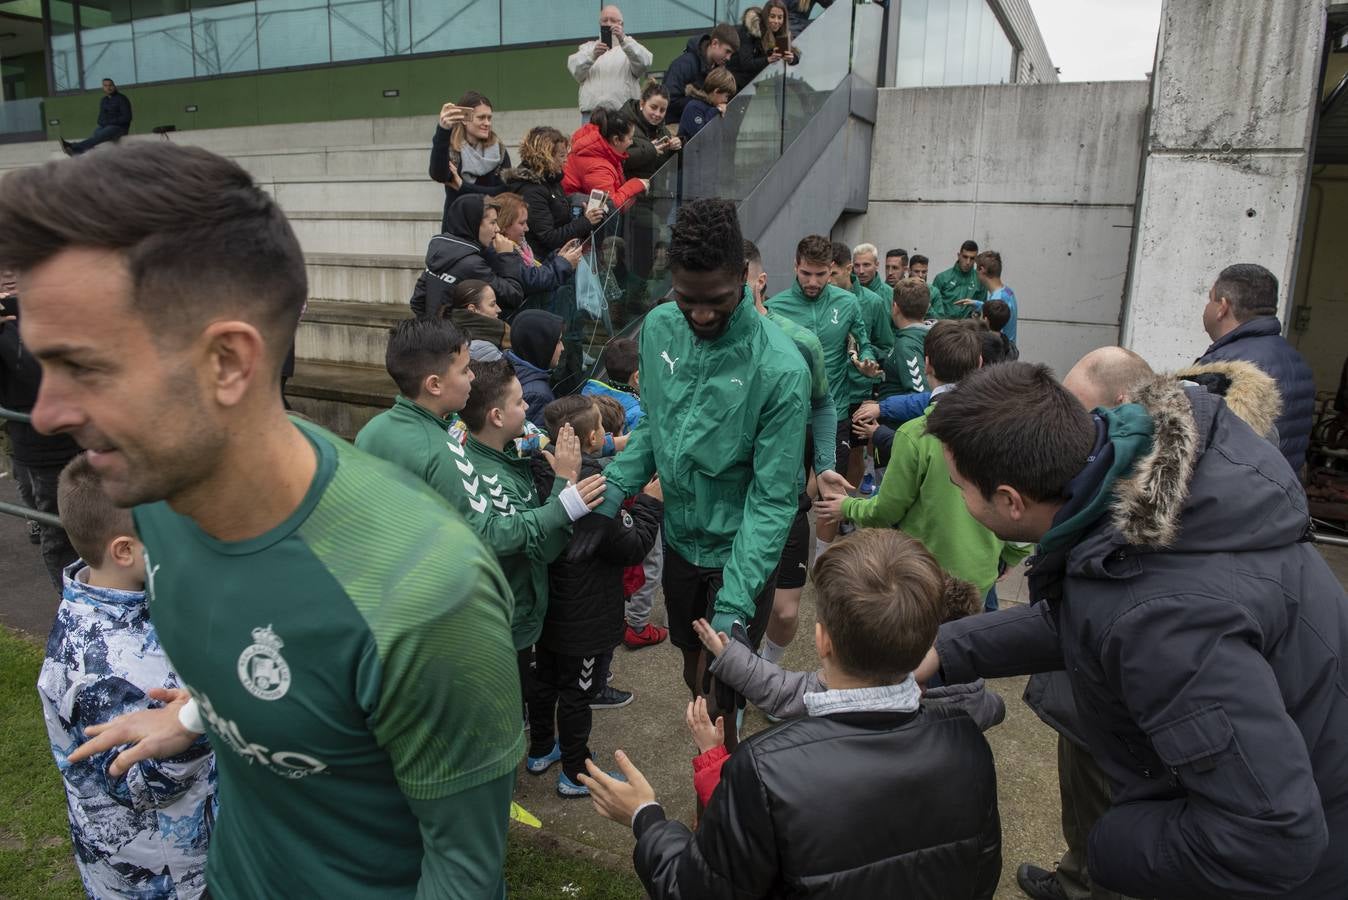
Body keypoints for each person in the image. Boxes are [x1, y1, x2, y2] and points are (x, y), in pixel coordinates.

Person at [7, 142, 523, 896]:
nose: (45, 413)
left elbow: (465, 870)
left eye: (83, 367)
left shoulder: (427, 597)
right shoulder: (156, 489)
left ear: (226, 364)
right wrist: (194, 718)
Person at [920, 361, 1348, 900]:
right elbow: (1092, 617)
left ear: (1010, 500)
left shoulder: (1168, 623)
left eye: (961, 488)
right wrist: (945, 648)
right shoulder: (1144, 488)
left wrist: (1111, 843)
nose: (960, 498)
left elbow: (1270, 836)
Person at [577, 529, 1002, 899]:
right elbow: (980, 875)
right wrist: (732, 657)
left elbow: (696, 888)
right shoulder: (968, 745)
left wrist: (645, 817)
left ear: (822, 640)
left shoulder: (763, 772)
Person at [571, 199, 809, 735]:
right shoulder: (659, 327)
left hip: (741, 548)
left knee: (724, 686)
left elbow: (773, 500)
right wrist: (609, 491)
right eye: (687, 300)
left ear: (745, 280)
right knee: (691, 669)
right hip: (680, 539)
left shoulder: (780, 368)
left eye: (717, 300)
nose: (700, 314)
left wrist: (736, 598)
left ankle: (719, 798)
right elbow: (657, 427)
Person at [356, 321, 603, 670]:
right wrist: (564, 504)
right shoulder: (443, 451)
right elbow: (487, 534)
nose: (472, 378)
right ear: (435, 384)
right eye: (464, 370)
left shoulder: (373, 431)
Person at [38, 453, 215, 899]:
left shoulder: (141, 595)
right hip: (165, 877)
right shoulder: (98, 668)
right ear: (124, 550)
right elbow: (143, 779)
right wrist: (209, 716)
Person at [818, 320, 1027, 602]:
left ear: (927, 364)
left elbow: (886, 511)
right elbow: (1024, 499)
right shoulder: (1007, 429)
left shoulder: (915, 434)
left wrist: (848, 506)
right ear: (979, 363)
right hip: (982, 576)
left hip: (923, 580)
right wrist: (1014, 553)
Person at [525, 395, 662, 796]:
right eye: (603, 430)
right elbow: (630, 547)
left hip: (549, 611)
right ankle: (574, 770)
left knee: (545, 680)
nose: (607, 436)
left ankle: (540, 749)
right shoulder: (597, 489)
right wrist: (651, 506)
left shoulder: (538, 472)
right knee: (578, 695)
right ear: (589, 438)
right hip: (585, 621)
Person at [745, 239, 848, 668]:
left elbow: (822, 402)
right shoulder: (695, 340)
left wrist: (823, 464)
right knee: (733, 606)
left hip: (784, 491)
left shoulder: (799, 341)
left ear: (758, 283)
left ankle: (767, 667)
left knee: (785, 612)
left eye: (737, 285)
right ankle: (734, 689)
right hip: (727, 497)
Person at [766, 235, 878, 558]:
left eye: (821, 274)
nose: (813, 282)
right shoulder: (775, 308)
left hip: (835, 413)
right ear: (794, 268)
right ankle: (785, 552)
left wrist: (867, 362)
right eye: (805, 274)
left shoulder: (848, 304)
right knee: (790, 492)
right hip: (789, 418)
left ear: (832, 270)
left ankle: (822, 558)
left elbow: (864, 342)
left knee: (831, 493)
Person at [0, 272, 80, 590]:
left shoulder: (56, 312)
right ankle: (71, 604)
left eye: (17, 277)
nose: (12, 287)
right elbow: (33, 377)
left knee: (104, 522)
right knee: (59, 531)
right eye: (4, 283)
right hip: (42, 449)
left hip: (92, 437)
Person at [1196, 262, 1315, 473]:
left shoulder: (1223, 368)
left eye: (1210, 299)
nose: (1207, 307)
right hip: (1280, 496)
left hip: (1237, 500)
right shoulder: (1296, 360)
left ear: (1222, 307)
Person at [834, 240, 892, 490]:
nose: (861, 269)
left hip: (858, 390)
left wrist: (866, 359)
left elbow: (886, 344)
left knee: (856, 453)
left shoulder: (874, 302)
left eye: (832, 273)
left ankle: (847, 506)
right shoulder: (823, 301)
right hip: (828, 390)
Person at [409, 194, 524, 320]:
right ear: (473, 224)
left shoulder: (440, 250)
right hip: (459, 337)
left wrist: (433, 329)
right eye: (493, 222)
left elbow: (417, 302)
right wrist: (507, 256)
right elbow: (513, 296)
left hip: (436, 333)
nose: (498, 229)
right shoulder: (471, 264)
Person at [503, 127, 605, 261]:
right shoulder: (531, 190)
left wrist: (584, 217)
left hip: (558, 258)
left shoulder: (550, 180)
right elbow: (549, 237)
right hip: (543, 263)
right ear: (546, 157)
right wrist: (585, 222)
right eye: (562, 156)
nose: (566, 161)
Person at [428, 91, 511, 233]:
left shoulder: (499, 151)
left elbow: (503, 193)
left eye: (489, 118)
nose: (487, 123)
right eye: (481, 118)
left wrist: (462, 186)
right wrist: (443, 130)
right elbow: (439, 175)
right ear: (465, 120)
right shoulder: (453, 151)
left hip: (491, 229)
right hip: (458, 228)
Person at [567, 6, 655, 125]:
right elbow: (574, 68)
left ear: (621, 24)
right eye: (605, 20)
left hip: (623, 115)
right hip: (591, 116)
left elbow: (645, 61)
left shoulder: (629, 47)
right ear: (599, 23)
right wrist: (592, 56)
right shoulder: (588, 48)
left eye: (613, 20)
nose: (608, 24)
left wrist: (623, 40)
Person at [487, 192, 583, 299]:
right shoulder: (499, 250)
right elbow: (531, 281)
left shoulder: (520, 246)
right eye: (522, 223)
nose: (527, 228)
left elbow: (534, 271)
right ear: (504, 224)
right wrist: (564, 263)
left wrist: (558, 257)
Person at [562, 106, 650, 212]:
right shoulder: (597, 168)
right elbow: (611, 206)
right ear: (616, 140)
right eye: (630, 138)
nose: (631, 143)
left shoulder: (599, 144)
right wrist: (637, 184)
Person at [662, 23, 740, 120]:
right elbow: (669, 100)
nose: (729, 58)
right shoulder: (684, 64)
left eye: (731, 54)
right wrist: (707, 102)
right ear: (715, 43)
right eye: (727, 51)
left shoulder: (718, 70)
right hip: (676, 125)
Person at [506, 309, 565, 428]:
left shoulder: (506, 364)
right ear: (541, 345)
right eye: (558, 342)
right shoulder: (537, 395)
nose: (562, 348)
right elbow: (533, 442)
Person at [727, 1, 801, 91]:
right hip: (732, 80)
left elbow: (795, 52)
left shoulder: (779, 33)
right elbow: (746, 63)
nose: (776, 21)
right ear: (766, 16)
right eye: (772, 16)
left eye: (780, 17)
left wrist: (792, 58)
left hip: (750, 84)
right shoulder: (750, 30)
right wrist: (768, 60)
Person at [622, 82, 683, 181]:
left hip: (656, 191)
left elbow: (672, 168)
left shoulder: (663, 131)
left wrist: (676, 150)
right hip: (628, 191)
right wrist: (650, 150)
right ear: (642, 103)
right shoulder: (622, 124)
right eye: (653, 107)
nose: (657, 114)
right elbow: (621, 159)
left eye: (662, 110)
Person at [954, 249, 1018, 342]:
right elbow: (996, 311)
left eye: (976, 268)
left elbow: (992, 334)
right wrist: (976, 304)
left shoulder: (997, 299)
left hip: (998, 352)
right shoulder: (1008, 292)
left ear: (982, 270)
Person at [61, 79, 131, 156]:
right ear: (103, 88)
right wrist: (104, 123)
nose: (108, 87)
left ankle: (72, 146)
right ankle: (78, 152)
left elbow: (127, 117)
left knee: (101, 135)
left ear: (114, 86)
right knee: (96, 133)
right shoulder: (103, 100)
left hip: (120, 128)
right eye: (105, 85)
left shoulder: (122, 99)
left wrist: (110, 122)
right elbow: (100, 119)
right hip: (106, 127)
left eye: (110, 85)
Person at [440, 279, 509, 350]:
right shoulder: (486, 347)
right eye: (492, 304)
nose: (499, 309)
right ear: (472, 309)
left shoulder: (445, 332)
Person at [677, 67, 736, 143]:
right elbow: (701, 137)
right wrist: (716, 111)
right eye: (726, 96)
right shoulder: (694, 107)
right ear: (716, 91)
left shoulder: (713, 107)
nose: (726, 100)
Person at [930, 240, 984, 320]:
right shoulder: (942, 278)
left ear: (976, 259)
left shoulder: (980, 280)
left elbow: (983, 308)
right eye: (965, 257)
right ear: (959, 255)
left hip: (969, 329)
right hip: (944, 328)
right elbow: (932, 306)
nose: (968, 262)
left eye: (972, 258)